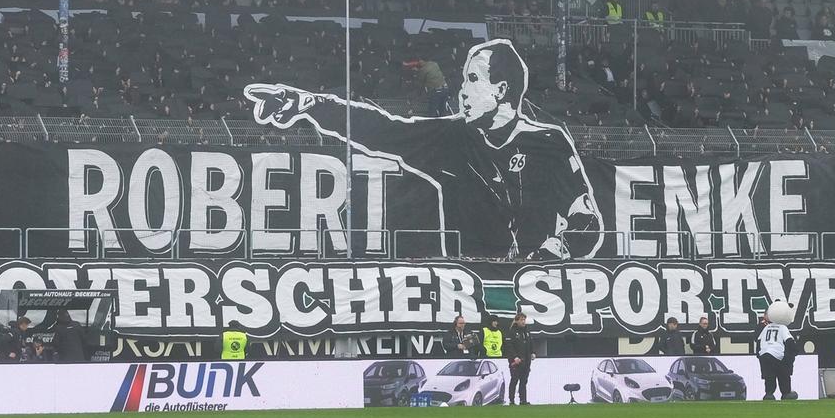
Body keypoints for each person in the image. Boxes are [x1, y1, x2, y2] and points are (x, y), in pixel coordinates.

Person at [244, 39, 603, 260]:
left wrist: (556, 249)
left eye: (473, 80)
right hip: (469, 285)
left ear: (502, 89)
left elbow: (587, 221)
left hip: (537, 291)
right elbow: (385, 130)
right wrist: (312, 103)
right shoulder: (451, 138)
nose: (462, 90)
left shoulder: (549, 143)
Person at [756, 313, 794, 401]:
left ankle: (769, 393)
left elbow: (758, 340)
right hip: (777, 354)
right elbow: (789, 340)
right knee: (783, 375)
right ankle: (785, 393)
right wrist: (794, 351)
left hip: (764, 354)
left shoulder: (766, 327)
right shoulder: (782, 327)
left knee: (769, 377)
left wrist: (759, 354)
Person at [503, 312, 534, 405]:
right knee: (514, 379)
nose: (523, 322)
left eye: (524, 319)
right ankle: (511, 400)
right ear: (516, 321)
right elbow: (509, 346)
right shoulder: (511, 332)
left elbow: (531, 344)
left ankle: (523, 400)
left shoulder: (527, 332)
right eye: (521, 320)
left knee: (524, 381)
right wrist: (515, 357)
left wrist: (533, 352)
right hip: (515, 361)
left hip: (526, 360)